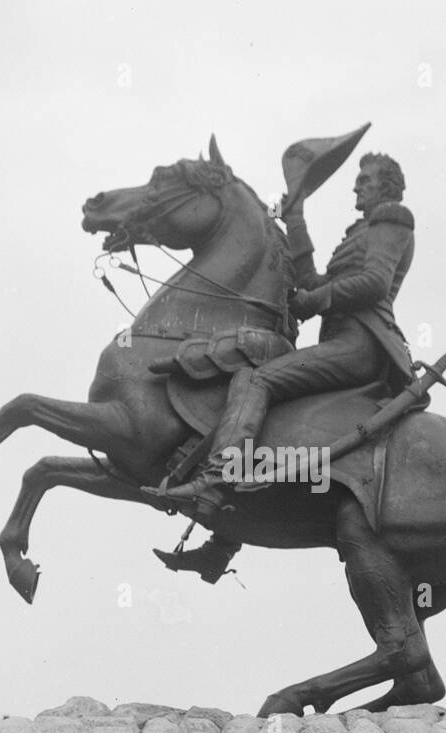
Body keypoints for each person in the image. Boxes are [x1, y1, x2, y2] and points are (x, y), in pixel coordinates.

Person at [154, 152, 416, 582]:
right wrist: (295, 216)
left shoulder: (394, 219)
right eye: (358, 179)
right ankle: (221, 544)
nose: (356, 186)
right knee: (272, 416)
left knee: (256, 381)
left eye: (365, 179)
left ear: (386, 186)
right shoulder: (361, 231)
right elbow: (313, 283)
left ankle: (217, 479)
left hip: (361, 345)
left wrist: (313, 302)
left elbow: (372, 284)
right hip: (341, 341)